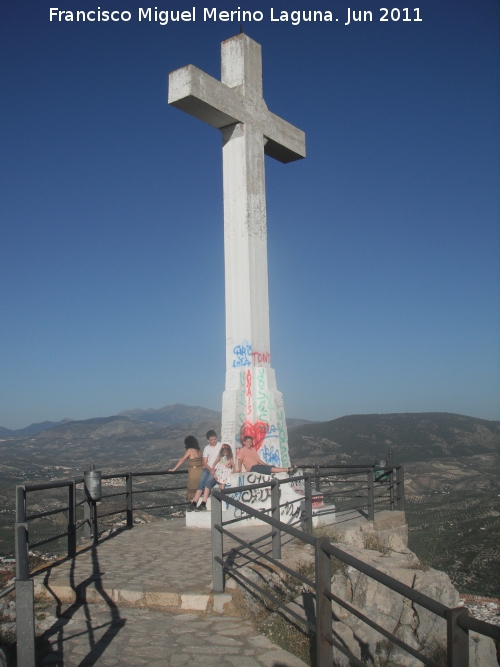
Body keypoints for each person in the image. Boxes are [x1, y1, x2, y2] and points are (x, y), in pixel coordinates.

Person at [188, 430, 222, 512]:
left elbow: (220, 457)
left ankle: (204, 502)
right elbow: (205, 462)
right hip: (208, 468)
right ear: (208, 440)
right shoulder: (207, 448)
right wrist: (210, 469)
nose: (213, 441)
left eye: (214, 439)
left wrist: (213, 469)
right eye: (211, 440)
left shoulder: (221, 445)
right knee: (201, 482)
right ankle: (194, 502)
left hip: (217, 469)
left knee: (208, 482)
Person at [169, 436, 203, 502]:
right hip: (201, 472)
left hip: (194, 472)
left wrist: (174, 469)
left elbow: (182, 459)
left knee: (192, 492)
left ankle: (194, 506)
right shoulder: (200, 451)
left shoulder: (190, 450)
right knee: (200, 490)